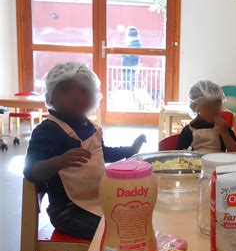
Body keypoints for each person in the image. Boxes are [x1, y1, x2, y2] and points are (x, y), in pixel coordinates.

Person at [24, 62, 147, 240]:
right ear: (51, 95)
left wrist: (130, 149)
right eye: (65, 90)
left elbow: (101, 153)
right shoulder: (48, 130)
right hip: (67, 211)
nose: (76, 96)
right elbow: (31, 171)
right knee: (117, 230)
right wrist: (59, 161)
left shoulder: (90, 127)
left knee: (136, 215)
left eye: (83, 91)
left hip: (99, 199)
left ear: (94, 97)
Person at [176, 80, 236, 153]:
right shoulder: (188, 131)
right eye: (208, 105)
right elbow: (180, 157)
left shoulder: (223, 128)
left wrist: (225, 133)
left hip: (220, 164)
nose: (214, 109)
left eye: (217, 103)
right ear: (195, 107)